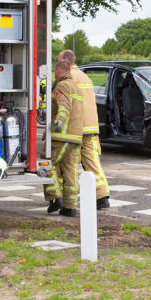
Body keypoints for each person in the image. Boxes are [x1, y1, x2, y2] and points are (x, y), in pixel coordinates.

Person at [44, 50, 110, 217]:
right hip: (90, 127)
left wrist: (57, 123)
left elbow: (64, 106)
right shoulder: (86, 77)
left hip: (72, 128)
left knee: (57, 165)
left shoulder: (67, 80)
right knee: (90, 163)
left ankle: (56, 196)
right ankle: (101, 195)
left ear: (64, 62)